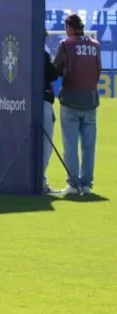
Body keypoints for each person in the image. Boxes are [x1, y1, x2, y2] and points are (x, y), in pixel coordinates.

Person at [53, 13, 102, 195]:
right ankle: (87, 184)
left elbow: (54, 69)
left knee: (70, 145)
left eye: (66, 28)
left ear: (70, 28)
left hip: (71, 100)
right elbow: (98, 71)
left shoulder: (65, 45)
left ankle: (73, 184)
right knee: (89, 146)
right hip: (90, 100)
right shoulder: (95, 45)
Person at [43, 32, 61, 193]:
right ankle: (40, 181)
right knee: (45, 142)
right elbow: (53, 74)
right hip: (43, 101)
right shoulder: (42, 53)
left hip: (22, 103)